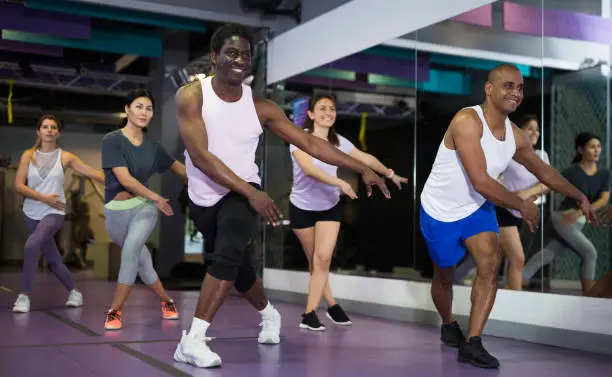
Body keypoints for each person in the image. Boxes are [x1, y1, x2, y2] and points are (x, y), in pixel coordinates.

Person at [173, 23, 389, 368]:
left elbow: (312, 143)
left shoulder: (262, 107)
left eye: (245, 54)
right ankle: (269, 313)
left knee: (226, 257)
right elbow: (201, 157)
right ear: (214, 57)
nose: (240, 59)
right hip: (204, 195)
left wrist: (359, 167)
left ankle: (192, 340)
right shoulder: (191, 96)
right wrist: (250, 193)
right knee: (237, 267)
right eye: (231, 52)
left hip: (243, 190)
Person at [419, 64, 596, 369]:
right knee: (444, 276)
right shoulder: (466, 120)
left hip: (477, 207)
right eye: (508, 86)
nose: (515, 92)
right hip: (440, 210)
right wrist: (521, 204)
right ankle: (448, 323)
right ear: (489, 89)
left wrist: (579, 196)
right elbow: (481, 180)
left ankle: (473, 342)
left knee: (490, 262)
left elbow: (544, 172)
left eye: (520, 87)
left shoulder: (514, 135)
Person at [289, 93, 408, 331]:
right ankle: (332, 305)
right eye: (322, 108)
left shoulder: (339, 142)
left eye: (331, 108)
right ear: (311, 114)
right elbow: (309, 170)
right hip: (302, 208)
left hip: (329, 207)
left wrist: (390, 173)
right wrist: (341, 183)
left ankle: (309, 314)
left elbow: (366, 158)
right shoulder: (300, 139)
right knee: (315, 262)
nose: (328, 112)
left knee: (322, 260)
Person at [101, 89, 187, 330]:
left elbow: (178, 168)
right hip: (115, 211)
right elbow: (125, 180)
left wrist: (207, 181)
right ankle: (167, 301)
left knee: (130, 252)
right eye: (139, 106)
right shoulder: (112, 140)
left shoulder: (154, 147)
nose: (144, 112)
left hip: (144, 209)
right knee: (143, 263)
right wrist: (158, 197)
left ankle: (114, 311)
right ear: (127, 109)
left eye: (148, 108)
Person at [12, 114, 105, 313]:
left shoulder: (66, 157)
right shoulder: (28, 155)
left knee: (31, 245)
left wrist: (121, 181)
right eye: (45, 126)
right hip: (31, 212)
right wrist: (42, 197)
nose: (49, 130)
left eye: (53, 127)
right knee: (54, 260)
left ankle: (24, 296)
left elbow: (92, 173)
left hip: (54, 211)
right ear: (38, 131)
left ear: (58, 132)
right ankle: (75, 292)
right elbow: (18, 185)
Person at [454, 114, 551, 290]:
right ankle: (515, 306)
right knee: (516, 258)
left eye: (537, 129)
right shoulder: (506, 154)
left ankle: (449, 281)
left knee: (489, 257)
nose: (535, 133)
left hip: (524, 213)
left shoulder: (541, 155)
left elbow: (547, 183)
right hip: (503, 210)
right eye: (530, 128)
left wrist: (525, 193)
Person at [523, 132, 609, 295]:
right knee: (590, 253)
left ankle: (514, 282)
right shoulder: (572, 171)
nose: (596, 150)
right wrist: (527, 194)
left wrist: (579, 214)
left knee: (547, 255)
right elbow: (549, 184)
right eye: (592, 147)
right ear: (581, 150)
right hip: (563, 218)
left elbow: (604, 200)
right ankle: (589, 297)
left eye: (598, 146)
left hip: (576, 221)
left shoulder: (604, 174)